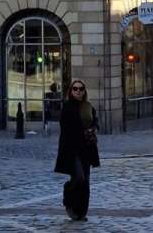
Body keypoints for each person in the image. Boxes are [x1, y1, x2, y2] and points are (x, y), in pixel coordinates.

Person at [55, 79, 100, 221]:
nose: (78, 91)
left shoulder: (88, 106)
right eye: (75, 89)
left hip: (87, 149)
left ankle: (81, 213)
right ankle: (69, 200)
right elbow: (66, 129)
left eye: (81, 89)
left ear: (84, 91)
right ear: (71, 91)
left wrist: (93, 129)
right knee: (78, 178)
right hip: (72, 149)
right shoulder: (67, 108)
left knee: (85, 181)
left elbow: (95, 121)